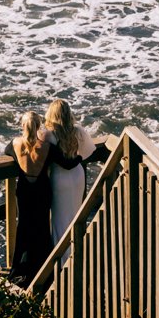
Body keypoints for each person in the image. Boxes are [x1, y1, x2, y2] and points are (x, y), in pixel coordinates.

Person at [43, 98, 97, 243]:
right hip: (78, 175)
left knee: (59, 221)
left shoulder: (49, 135)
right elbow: (89, 151)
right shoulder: (78, 131)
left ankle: (63, 261)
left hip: (59, 178)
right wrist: (77, 157)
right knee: (75, 216)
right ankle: (76, 253)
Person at [9, 109, 54, 281]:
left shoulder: (14, 144)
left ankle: (18, 269)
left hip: (25, 192)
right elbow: (66, 161)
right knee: (42, 227)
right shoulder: (48, 147)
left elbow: (7, 153)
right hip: (42, 191)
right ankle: (43, 269)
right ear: (38, 127)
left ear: (22, 126)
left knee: (24, 228)